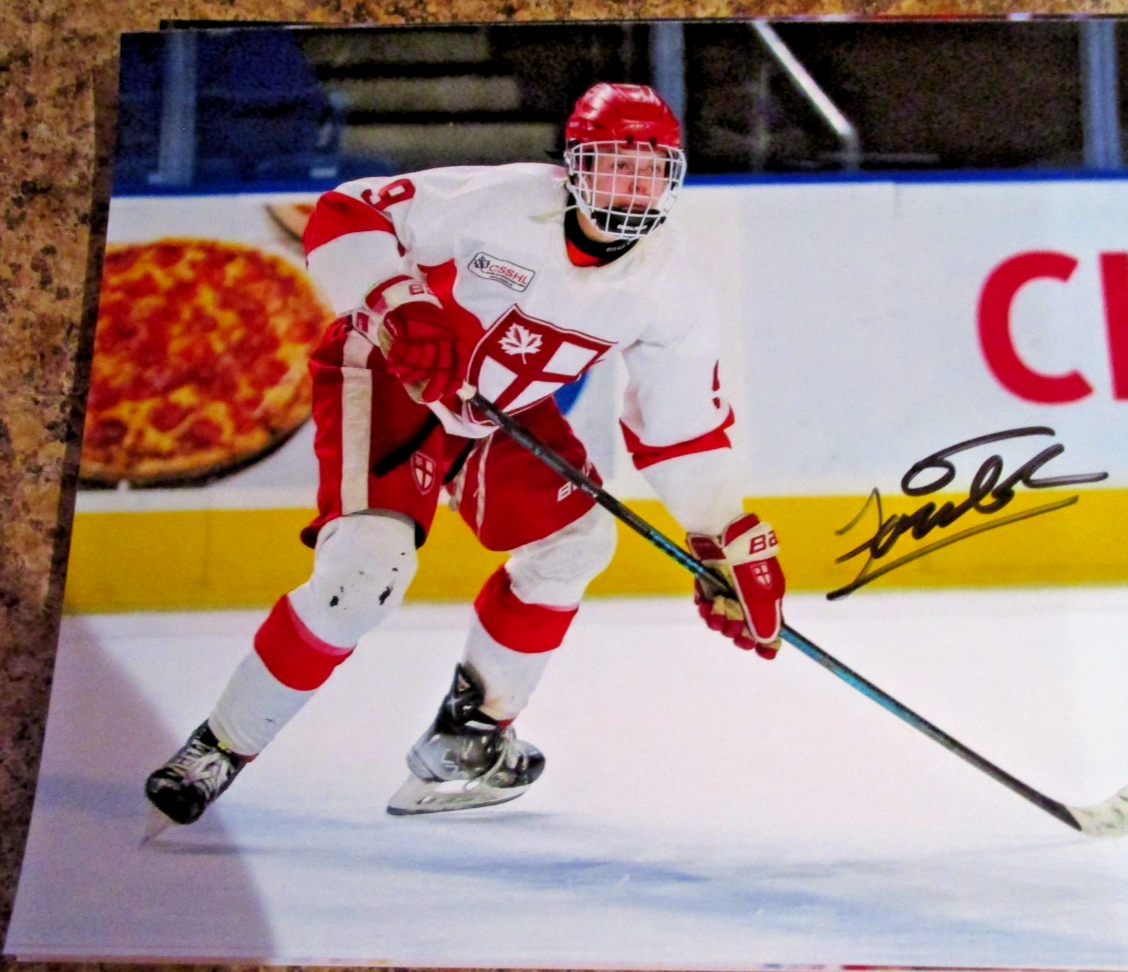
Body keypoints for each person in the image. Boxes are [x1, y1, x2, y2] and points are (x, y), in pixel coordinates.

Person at [144, 81, 787, 829]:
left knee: (576, 543)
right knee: (363, 574)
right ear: (574, 165)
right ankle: (220, 745)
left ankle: (470, 737)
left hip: (500, 410)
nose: (630, 188)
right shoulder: (504, 201)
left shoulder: (673, 284)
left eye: (649, 171)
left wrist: (723, 535)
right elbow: (346, 212)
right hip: (388, 372)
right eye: (615, 164)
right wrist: (400, 306)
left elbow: (682, 427)